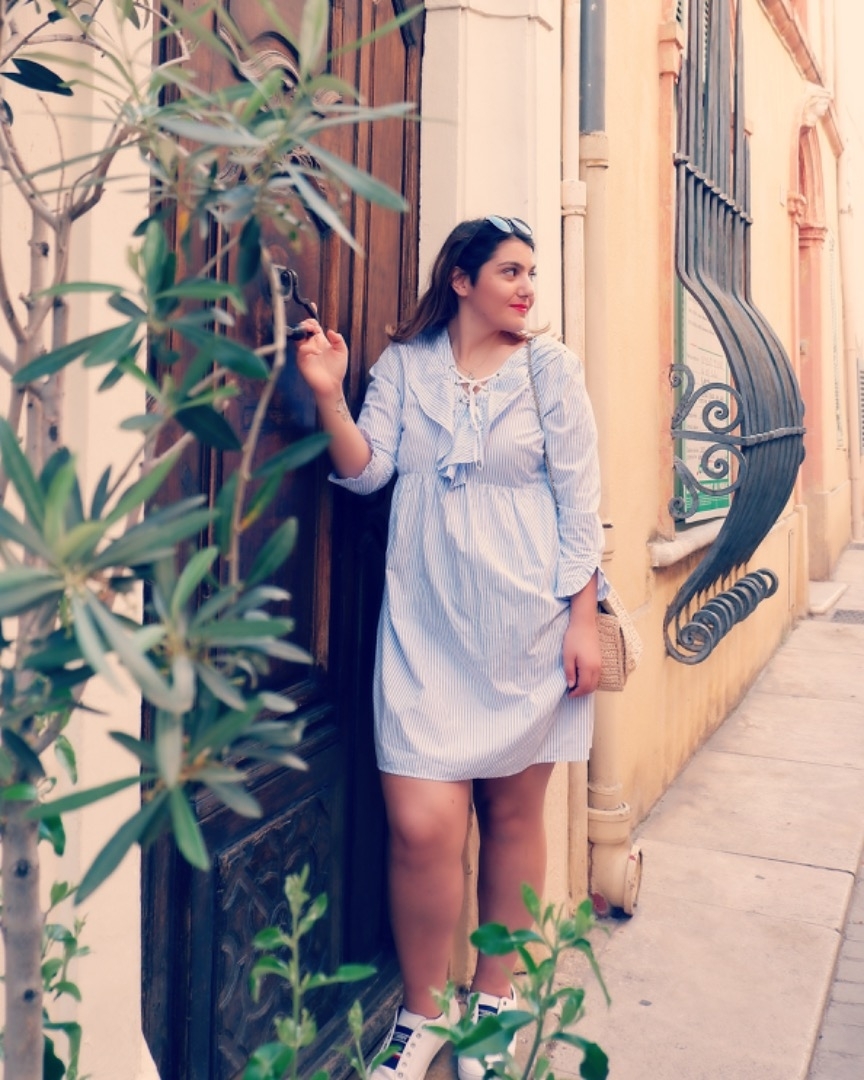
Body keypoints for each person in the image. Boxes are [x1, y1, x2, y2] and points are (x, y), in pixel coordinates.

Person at [295, 216, 606, 1080]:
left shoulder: (551, 371)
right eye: (509, 271)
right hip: (425, 631)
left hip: (529, 630)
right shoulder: (406, 366)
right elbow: (366, 471)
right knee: (421, 829)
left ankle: (494, 1004)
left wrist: (583, 619)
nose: (527, 288)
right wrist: (328, 394)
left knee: (511, 819)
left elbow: (581, 504)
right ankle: (424, 1013)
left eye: (531, 273)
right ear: (461, 281)